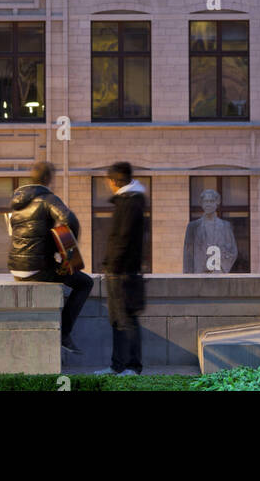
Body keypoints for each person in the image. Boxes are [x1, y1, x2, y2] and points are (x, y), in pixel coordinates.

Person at [7, 160, 92, 355]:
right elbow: (69, 220)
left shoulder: (18, 202)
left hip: (15, 267)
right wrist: (67, 254)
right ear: (48, 179)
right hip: (38, 268)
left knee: (65, 273)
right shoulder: (47, 198)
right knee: (85, 283)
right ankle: (64, 333)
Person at [101, 161, 146, 376]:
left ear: (114, 181)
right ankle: (117, 365)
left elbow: (123, 238)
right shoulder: (128, 201)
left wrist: (113, 266)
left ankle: (131, 366)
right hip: (119, 271)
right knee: (118, 320)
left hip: (122, 272)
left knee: (126, 319)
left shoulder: (130, 202)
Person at [182, 189, 238, 273]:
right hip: (198, 274)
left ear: (217, 203)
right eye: (206, 201)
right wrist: (188, 276)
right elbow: (188, 254)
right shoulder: (193, 226)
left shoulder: (226, 226)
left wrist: (221, 268)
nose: (208, 204)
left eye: (211, 201)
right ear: (202, 204)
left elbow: (233, 251)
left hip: (219, 273)